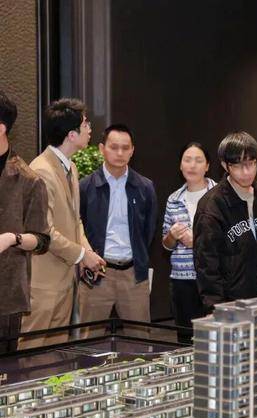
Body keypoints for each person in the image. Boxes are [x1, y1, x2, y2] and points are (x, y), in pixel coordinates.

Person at [21, 98, 105, 349]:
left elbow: (74, 219)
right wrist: (81, 255)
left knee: (55, 355)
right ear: (71, 134)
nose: (90, 129)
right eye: (85, 124)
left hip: (65, 280)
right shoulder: (41, 170)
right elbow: (44, 230)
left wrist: (87, 252)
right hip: (44, 284)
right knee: (30, 355)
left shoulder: (72, 167)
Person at [78, 124, 158, 337]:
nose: (120, 153)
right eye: (114, 147)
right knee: (89, 340)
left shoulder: (145, 187)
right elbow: (78, 226)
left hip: (133, 275)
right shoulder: (85, 186)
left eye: (125, 148)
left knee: (140, 339)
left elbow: (149, 229)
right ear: (102, 148)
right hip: (97, 273)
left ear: (132, 151)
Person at [193, 132, 257, 306]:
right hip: (232, 304)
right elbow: (207, 266)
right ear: (225, 165)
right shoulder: (212, 206)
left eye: (251, 163)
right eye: (238, 166)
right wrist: (217, 308)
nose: (246, 172)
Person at [0, 91, 50, 354]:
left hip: (6, 294)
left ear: (1, 128)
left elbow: (41, 240)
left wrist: (12, 238)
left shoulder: (28, 179)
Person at [163, 142, 216, 342]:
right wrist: (172, 236)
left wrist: (198, 242)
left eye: (198, 160)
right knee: (186, 341)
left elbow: (229, 238)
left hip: (214, 280)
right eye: (187, 160)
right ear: (180, 165)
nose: (192, 165)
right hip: (182, 282)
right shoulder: (173, 199)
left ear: (207, 166)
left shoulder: (219, 195)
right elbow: (166, 244)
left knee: (214, 342)